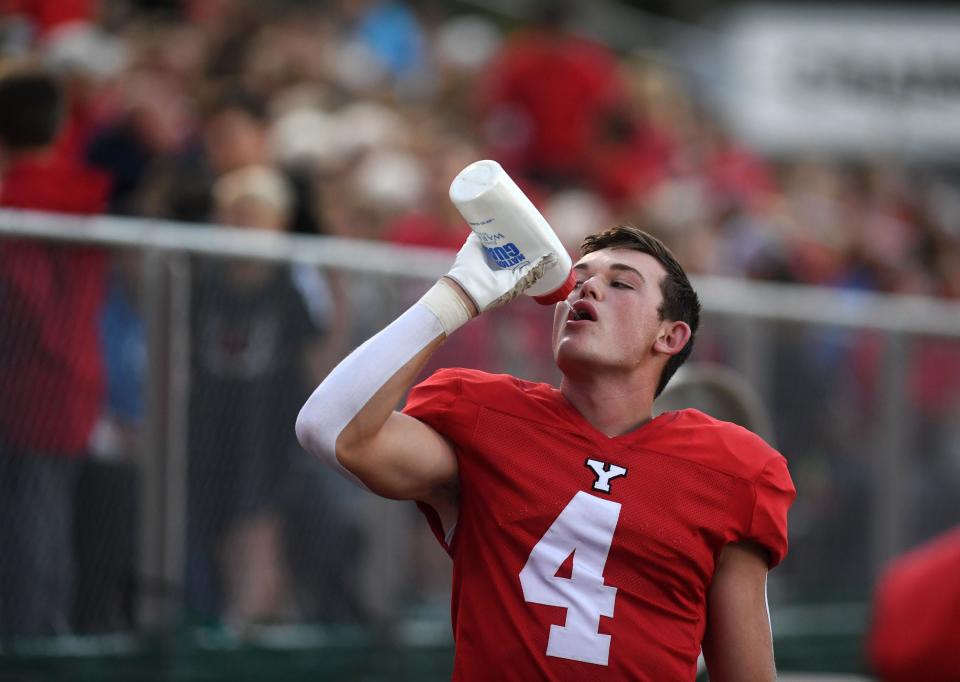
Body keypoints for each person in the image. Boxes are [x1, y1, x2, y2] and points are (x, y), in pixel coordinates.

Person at [296, 224, 796, 679]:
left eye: (620, 283)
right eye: (577, 279)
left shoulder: (731, 469)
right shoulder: (486, 421)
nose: (586, 287)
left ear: (670, 335)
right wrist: (457, 295)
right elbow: (329, 428)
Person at [0, 68, 111, 636]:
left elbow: (21, 306)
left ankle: (31, 641)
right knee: (46, 520)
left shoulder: (15, 204)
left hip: (23, 387)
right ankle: (48, 635)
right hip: (77, 378)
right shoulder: (83, 199)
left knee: (26, 525)